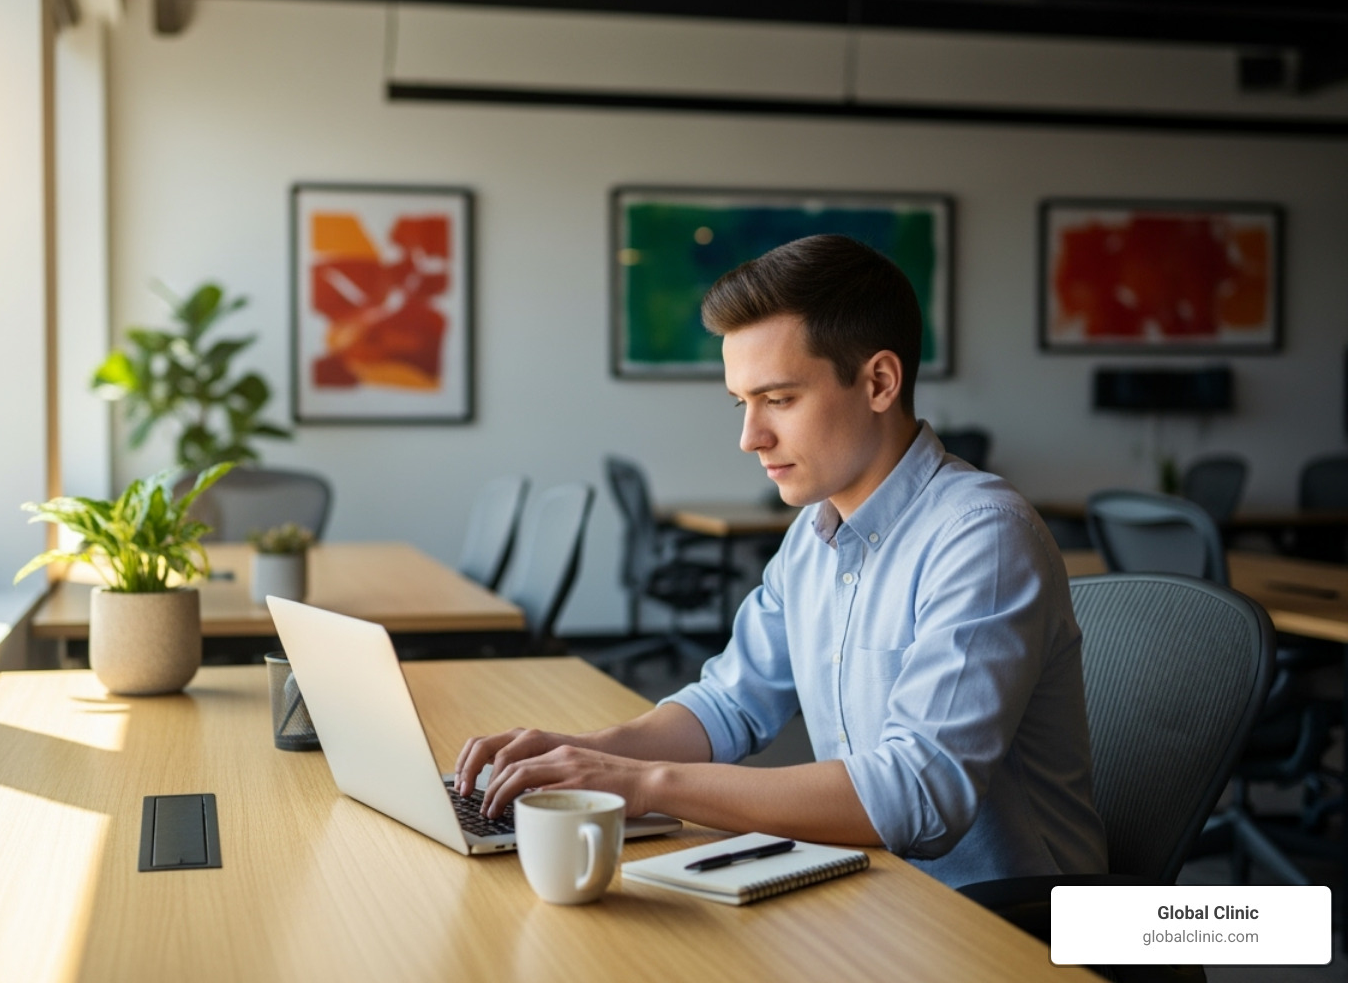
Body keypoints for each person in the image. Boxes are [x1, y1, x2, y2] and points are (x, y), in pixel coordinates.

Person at [456, 234, 1107, 887]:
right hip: (875, 888)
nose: (750, 437)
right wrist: (582, 755)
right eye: (742, 403)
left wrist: (646, 784)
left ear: (879, 382)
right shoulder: (812, 535)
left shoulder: (982, 536)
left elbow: (917, 796)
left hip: (1011, 919)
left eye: (779, 399)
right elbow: (729, 704)